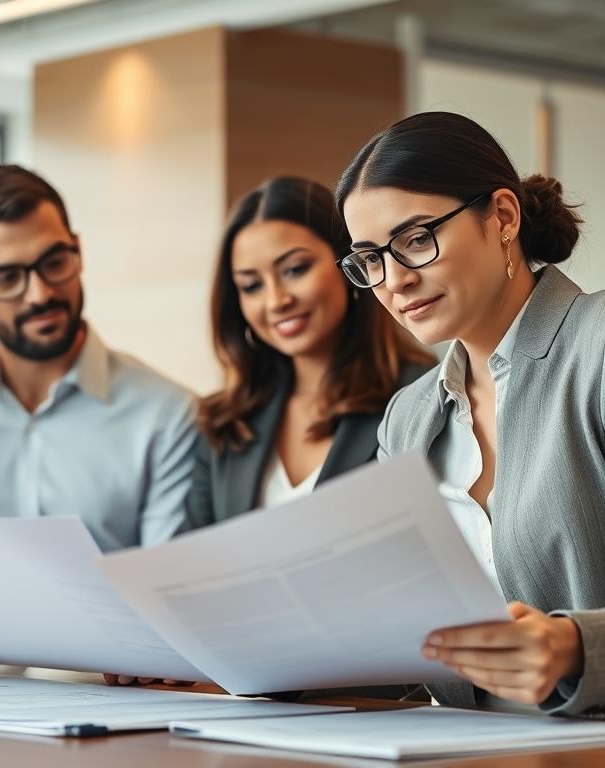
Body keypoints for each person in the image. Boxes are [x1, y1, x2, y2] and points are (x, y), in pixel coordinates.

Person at [336, 111, 605, 728]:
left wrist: (570, 649)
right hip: (486, 743)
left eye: (415, 239)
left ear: (504, 218)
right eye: (370, 259)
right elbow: (405, 634)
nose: (396, 280)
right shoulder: (407, 417)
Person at [0, 165, 197, 552]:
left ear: (78, 253)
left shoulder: (168, 415)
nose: (40, 294)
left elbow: (168, 586)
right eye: (7, 277)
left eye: (54, 262)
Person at [181, 176, 431, 531]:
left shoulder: (422, 394)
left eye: (295, 269)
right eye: (251, 286)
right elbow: (191, 560)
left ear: (349, 265)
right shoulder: (225, 421)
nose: (276, 300)